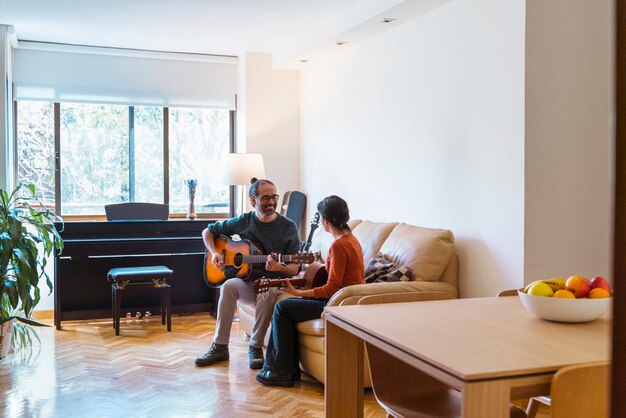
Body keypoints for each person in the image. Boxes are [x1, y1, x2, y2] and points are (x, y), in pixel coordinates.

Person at [256, 195, 364, 387]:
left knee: (283, 308)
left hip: (337, 303)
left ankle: (280, 371)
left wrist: (298, 293)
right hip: (348, 300)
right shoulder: (352, 239)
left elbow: (332, 288)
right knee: (287, 308)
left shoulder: (338, 246)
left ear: (325, 221)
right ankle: (286, 369)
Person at [195, 178, 300, 369]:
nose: (271, 202)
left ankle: (256, 347)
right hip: (248, 282)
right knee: (227, 286)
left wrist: (279, 268)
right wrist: (215, 253)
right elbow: (207, 232)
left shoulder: (288, 227)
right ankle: (220, 346)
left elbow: (295, 268)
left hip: (274, 284)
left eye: (274, 197)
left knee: (266, 290)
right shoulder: (244, 221)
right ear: (253, 200)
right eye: (265, 198)